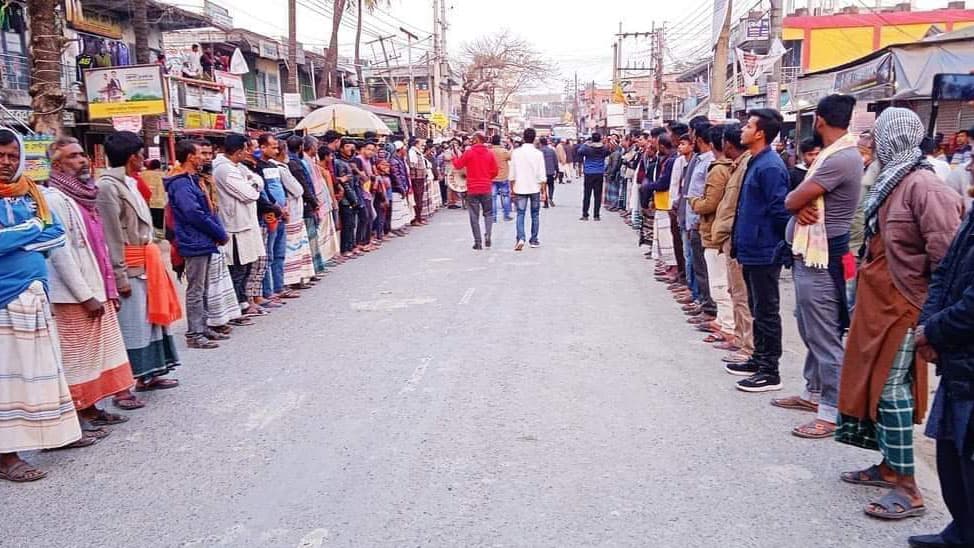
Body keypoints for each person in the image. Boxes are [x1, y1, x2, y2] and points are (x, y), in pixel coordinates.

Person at [836, 107, 963, 522]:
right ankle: (889, 466)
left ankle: (908, 488)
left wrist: (934, 317)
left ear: (895, 139)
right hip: (878, 301)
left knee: (892, 390)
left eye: (879, 136)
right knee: (872, 381)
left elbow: (947, 256)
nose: (871, 144)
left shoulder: (924, 186)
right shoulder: (893, 180)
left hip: (906, 302)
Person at [778, 94, 863, 439]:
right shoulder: (836, 155)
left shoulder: (839, 158)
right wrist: (799, 208)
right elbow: (801, 202)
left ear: (819, 120)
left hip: (822, 257)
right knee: (810, 327)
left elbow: (792, 198)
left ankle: (832, 412)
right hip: (811, 253)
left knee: (825, 335)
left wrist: (796, 204)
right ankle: (813, 392)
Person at [0, 127, 82, 482]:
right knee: (7, 382)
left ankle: (45, 437)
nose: (6, 163)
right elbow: (42, 231)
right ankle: (6, 456)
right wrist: (34, 229)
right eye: (0, 156)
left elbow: (58, 235)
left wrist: (19, 238)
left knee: (34, 376)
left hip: (33, 294)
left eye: (13, 156)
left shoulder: (30, 193)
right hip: (4, 300)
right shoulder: (34, 205)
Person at [45, 136, 141, 434]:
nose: (82, 160)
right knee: (77, 358)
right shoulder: (53, 198)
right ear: (57, 164)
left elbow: (98, 244)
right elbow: (60, 253)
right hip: (73, 295)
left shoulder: (85, 195)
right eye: (73, 156)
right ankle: (76, 414)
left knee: (98, 355)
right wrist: (86, 295)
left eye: (83, 155)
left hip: (96, 284)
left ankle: (92, 407)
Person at [912, 157, 974, 548]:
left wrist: (933, 328)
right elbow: (946, 272)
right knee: (951, 452)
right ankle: (961, 530)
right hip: (956, 358)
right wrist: (929, 325)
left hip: (965, 352)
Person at [97, 132, 182, 391]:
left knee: (151, 320)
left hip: (147, 260)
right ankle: (125, 385)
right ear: (133, 157)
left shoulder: (131, 183)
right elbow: (111, 235)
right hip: (129, 263)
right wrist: (119, 276)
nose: (143, 159)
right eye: (141, 154)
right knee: (133, 325)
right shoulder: (107, 187)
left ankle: (150, 374)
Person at [727, 109, 791, 393]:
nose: (743, 129)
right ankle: (758, 358)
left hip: (765, 249)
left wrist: (777, 245)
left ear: (760, 132)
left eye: (748, 125)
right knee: (756, 306)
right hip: (750, 248)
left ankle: (770, 370)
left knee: (766, 309)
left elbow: (779, 210)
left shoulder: (771, 166)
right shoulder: (756, 161)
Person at [166, 140, 228, 349]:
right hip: (193, 239)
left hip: (202, 238)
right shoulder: (181, 184)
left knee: (203, 286)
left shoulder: (193, 180)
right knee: (196, 288)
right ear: (191, 157)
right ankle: (194, 332)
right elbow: (194, 213)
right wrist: (217, 231)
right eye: (200, 153)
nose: (204, 157)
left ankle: (203, 325)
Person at [711, 126, 755, 365]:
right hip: (731, 238)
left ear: (727, 143)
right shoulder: (739, 165)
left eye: (750, 126)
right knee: (736, 293)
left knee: (742, 296)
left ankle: (748, 346)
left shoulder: (749, 166)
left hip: (739, 239)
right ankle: (740, 339)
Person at [689, 125, 736, 346]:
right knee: (717, 280)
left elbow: (711, 203)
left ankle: (727, 327)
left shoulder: (719, 169)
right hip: (715, 230)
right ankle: (722, 321)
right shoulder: (725, 166)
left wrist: (694, 202)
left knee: (719, 282)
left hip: (715, 232)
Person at [213, 133, 266, 319]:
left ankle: (244, 302)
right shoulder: (223, 169)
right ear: (238, 151)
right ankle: (237, 307)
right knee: (237, 268)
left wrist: (252, 184)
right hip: (233, 225)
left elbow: (258, 181)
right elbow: (249, 194)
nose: (248, 153)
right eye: (246, 149)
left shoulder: (237, 166)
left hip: (245, 223)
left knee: (246, 266)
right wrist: (252, 186)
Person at [684, 123, 717, 326]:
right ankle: (703, 302)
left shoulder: (710, 163)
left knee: (705, 269)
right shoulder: (700, 160)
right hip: (692, 220)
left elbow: (707, 198)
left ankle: (710, 308)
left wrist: (695, 209)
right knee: (698, 265)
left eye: (692, 136)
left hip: (701, 221)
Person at [452, 131, 498, 250]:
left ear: (477, 139)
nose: (471, 140)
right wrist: (487, 178)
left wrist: (454, 157)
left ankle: (478, 242)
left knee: (474, 216)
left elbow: (458, 165)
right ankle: (488, 234)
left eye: (473, 138)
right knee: (488, 213)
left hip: (472, 188)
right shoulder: (489, 153)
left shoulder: (469, 152)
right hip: (486, 187)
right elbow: (495, 171)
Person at [510, 128, 547, 250]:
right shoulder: (538, 154)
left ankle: (520, 238)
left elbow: (512, 174)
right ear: (534, 138)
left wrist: (512, 188)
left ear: (523, 138)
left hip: (520, 187)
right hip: (535, 187)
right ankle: (534, 240)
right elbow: (542, 175)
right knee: (535, 214)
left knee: (520, 214)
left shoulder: (516, 153)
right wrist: (543, 192)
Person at [578, 132, 610, 221]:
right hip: (599, 173)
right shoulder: (604, 148)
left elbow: (579, 152)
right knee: (598, 195)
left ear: (591, 139)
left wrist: (585, 143)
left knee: (587, 194)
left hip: (589, 173)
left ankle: (585, 215)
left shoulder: (587, 148)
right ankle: (596, 215)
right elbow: (608, 152)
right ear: (600, 139)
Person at [489, 134, 512, 221]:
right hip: (503, 176)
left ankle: (493, 217)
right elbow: (511, 157)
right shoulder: (504, 151)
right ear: (499, 142)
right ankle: (506, 215)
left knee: (493, 197)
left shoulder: (489, 151)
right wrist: (510, 145)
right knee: (505, 196)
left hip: (492, 177)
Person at [408, 138, 428, 225]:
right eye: (421, 144)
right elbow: (412, 165)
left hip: (420, 177)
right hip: (416, 178)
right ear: (416, 144)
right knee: (417, 198)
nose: (422, 146)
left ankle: (419, 217)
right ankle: (416, 219)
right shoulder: (412, 152)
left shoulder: (418, 152)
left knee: (420, 198)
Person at [540, 136, 558, 208]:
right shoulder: (552, 150)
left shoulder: (539, 151)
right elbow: (555, 161)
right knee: (551, 186)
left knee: (543, 188)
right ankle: (550, 197)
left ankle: (546, 202)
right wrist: (557, 170)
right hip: (550, 171)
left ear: (541, 143)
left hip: (542, 173)